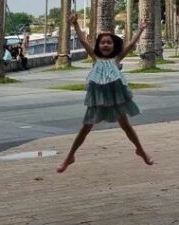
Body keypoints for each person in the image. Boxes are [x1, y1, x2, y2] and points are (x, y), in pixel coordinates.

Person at [56, 12, 153, 173]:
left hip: (115, 98)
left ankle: (141, 150)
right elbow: (82, 40)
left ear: (114, 45)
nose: (106, 45)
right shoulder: (95, 57)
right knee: (85, 128)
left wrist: (141, 30)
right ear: (98, 46)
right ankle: (69, 157)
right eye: (103, 43)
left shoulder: (117, 59)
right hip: (98, 99)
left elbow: (130, 45)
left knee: (126, 126)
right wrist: (75, 25)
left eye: (109, 42)